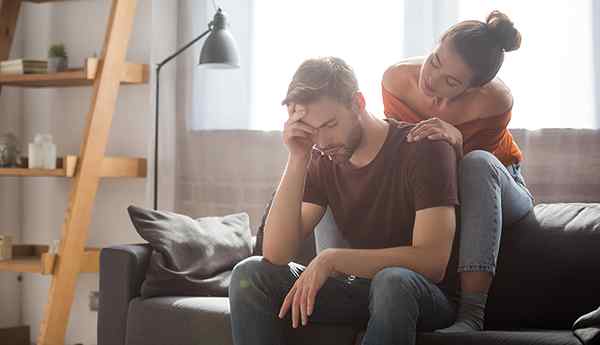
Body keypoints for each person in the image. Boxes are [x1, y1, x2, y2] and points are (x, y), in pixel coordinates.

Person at [229, 56, 460, 345]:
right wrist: (298, 156)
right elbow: (275, 255)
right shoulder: (322, 156)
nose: (322, 142)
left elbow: (432, 261)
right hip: (360, 291)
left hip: (422, 294)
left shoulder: (424, 147)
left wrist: (332, 259)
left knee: (392, 281)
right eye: (312, 131)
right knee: (250, 275)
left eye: (329, 125)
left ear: (358, 103)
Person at [382, 10, 534, 332]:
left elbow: (475, 183)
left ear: (474, 87)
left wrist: (458, 141)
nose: (431, 80)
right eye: (435, 61)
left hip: (499, 185)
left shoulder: (494, 101)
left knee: (475, 162)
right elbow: (405, 159)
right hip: (438, 188)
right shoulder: (397, 80)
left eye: (451, 81)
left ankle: (471, 315)